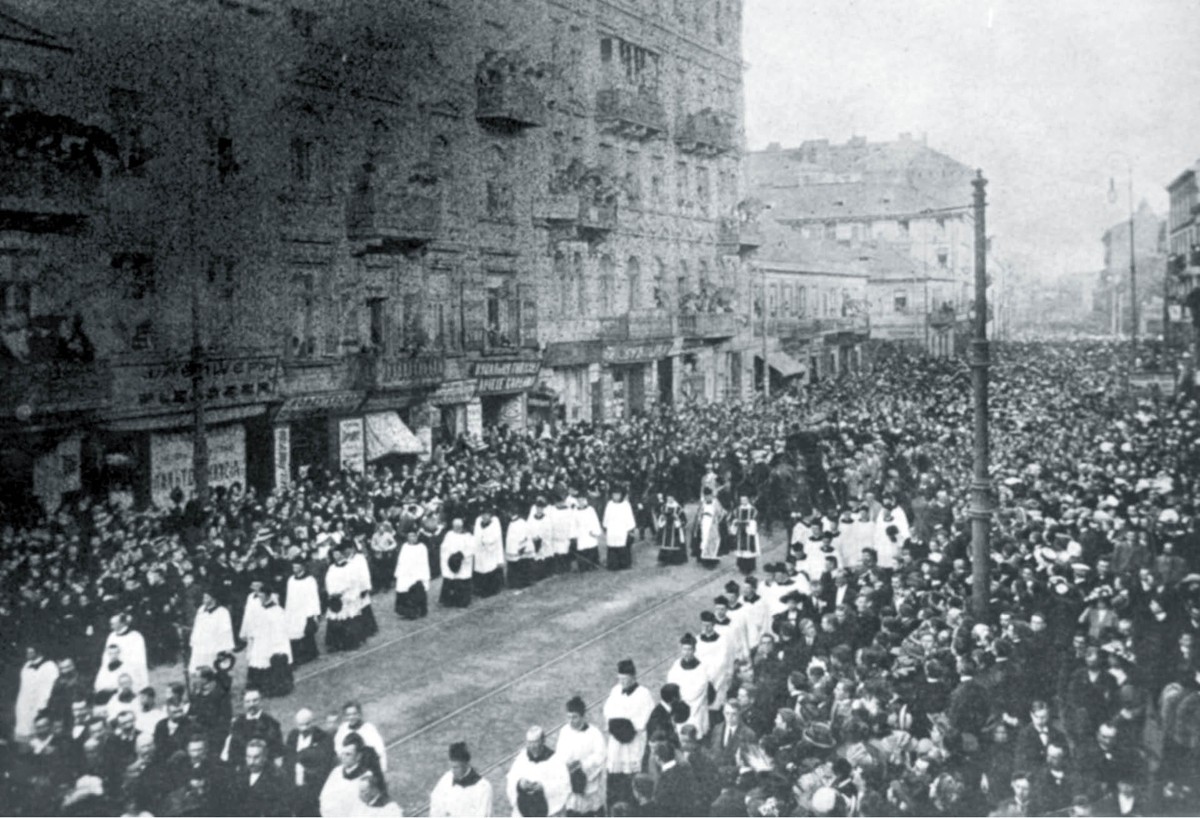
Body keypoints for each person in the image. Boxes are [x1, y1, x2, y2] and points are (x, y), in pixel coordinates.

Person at [603, 658, 656, 809]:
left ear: (633, 677)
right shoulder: (615, 691)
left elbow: (643, 719)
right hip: (616, 745)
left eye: (626, 679)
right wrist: (617, 725)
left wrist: (625, 726)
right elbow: (608, 712)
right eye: (620, 679)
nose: (623, 682)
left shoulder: (644, 694)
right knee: (615, 780)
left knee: (630, 781)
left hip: (632, 744)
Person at [555, 696, 607, 817]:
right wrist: (568, 766)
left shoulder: (594, 733)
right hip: (571, 783)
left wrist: (582, 765)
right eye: (568, 717)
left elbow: (600, 756)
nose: (571, 721)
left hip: (589, 783)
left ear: (583, 716)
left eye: (575, 717)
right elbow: (559, 755)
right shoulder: (564, 732)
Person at [506, 725, 571, 817]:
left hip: (548, 811)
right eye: (530, 743)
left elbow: (563, 785)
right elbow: (512, 779)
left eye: (535, 742)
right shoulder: (522, 758)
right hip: (525, 810)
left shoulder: (555, 760)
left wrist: (544, 787)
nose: (532, 746)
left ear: (543, 741)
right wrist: (520, 784)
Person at [244, 590, 294, 698]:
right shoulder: (257, 611)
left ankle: (274, 687)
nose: (259, 597)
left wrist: (277, 647)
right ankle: (258, 686)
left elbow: (281, 631)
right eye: (258, 595)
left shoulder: (278, 611)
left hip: (273, 642)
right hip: (261, 641)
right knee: (258, 660)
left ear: (268, 595)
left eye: (262, 594)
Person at [324, 544, 369, 653]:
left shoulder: (350, 567)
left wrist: (344, 593)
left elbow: (353, 582)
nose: (336, 556)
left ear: (342, 554)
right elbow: (328, 582)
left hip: (347, 597)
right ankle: (336, 644)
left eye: (337, 554)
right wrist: (332, 593)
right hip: (335, 598)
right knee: (335, 619)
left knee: (349, 619)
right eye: (334, 554)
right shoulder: (331, 568)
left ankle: (351, 642)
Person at [430, 741, 493, 818]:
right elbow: (436, 805)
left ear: (466, 764)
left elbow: (483, 814)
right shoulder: (446, 779)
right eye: (451, 767)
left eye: (456, 767)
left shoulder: (483, 787)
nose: (453, 771)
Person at [230, 737, 291, 817]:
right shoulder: (240, 775)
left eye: (256, 757)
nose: (251, 762)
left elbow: (281, 810)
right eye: (248, 757)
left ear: (264, 757)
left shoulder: (276, 777)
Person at [224, 688, 285, 766]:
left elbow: (277, 752)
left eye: (255, 700)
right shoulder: (237, 723)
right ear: (243, 703)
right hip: (241, 769)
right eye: (248, 701)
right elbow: (233, 750)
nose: (251, 704)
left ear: (261, 701)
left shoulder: (271, 723)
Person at [320, 732, 376, 817]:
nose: (343, 757)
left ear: (359, 756)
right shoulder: (336, 772)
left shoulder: (367, 778)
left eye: (348, 754)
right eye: (342, 753)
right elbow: (324, 798)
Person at [667, 633, 712, 739]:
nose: (686, 653)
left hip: (695, 709)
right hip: (679, 708)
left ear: (694, 650)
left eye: (689, 650)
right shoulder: (676, 665)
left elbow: (697, 691)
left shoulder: (701, 669)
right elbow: (671, 683)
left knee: (694, 736)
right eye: (684, 649)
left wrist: (681, 696)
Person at [14, 644, 58, 742]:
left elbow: (48, 690)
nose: (27, 651)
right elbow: (23, 691)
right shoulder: (26, 667)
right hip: (25, 710)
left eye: (30, 648)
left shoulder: (49, 666)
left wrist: (41, 708)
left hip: (41, 710)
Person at [97, 613, 149, 694]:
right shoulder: (111, 636)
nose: (111, 626)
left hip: (130, 670)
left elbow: (139, 658)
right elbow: (106, 655)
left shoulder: (135, 637)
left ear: (122, 623)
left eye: (113, 624)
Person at [284, 558, 323, 667]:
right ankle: (298, 655)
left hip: (305, 611)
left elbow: (314, 597)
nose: (294, 569)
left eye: (296, 567)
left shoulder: (310, 580)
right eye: (293, 567)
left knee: (306, 632)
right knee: (293, 633)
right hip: (293, 611)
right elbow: (289, 597)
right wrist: (288, 612)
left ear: (303, 567)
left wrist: (313, 614)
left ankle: (311, 654)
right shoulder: (291, 580)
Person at [334, 701, 388, 773]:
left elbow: (380, 751)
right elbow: (338, 749)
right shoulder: (343, 729)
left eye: (354, 714)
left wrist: (381, 771)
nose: (351, 717)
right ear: (345, 716)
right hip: (349, 769)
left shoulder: (368, 729)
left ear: (359, 714)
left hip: (367, 769)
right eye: (348, 715)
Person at [190, 592, 236, 674]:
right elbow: (196, 626)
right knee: (198, 668)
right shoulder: (201, 610)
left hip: (214, 644)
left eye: (207, 598)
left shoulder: (222, 612)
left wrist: (225, 647)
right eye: (203, 597)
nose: (204, 600)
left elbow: (226, 631)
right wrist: (194, 640)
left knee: (214, 668)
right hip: (201, 644)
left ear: (213, 599)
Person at [394, 528, 431, 619]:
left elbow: (423, 562)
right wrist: (400, 572)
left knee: (417, 590)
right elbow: (401, 560)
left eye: (414, 536)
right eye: (410, 536)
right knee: (403, 589)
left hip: (417, 573)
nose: (412, 538)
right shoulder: (404, 547)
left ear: (417, 537)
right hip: (405, 573)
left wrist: (420, 573)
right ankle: (407, 612)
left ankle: (419, 610)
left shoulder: (422, 547)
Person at [440, 518, 475, 608]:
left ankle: (462, 601)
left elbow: (471, 548)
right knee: (450, 580)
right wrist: (450, 556)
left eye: (459, 526)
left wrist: (461, 555)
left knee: (462, 580)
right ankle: (449, 601)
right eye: (455, 526)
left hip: (462, 561)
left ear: (462, 526)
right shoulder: (449, 534)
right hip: (450, 561)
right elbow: (444, 547)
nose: (457, 528)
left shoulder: (467, 536)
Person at [601, 488, 636, 571]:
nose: (616, 497)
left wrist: (630, 529)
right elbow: (606, 516)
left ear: (621, 495)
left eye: (618, 495)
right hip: (612, 529)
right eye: (614, 495)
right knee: (612, 546)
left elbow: (629, 517)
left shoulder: (626, 505)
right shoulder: (609, 504)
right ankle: (613, 564)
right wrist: (605, 526)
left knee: (622, 546)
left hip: (622, 529)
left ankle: (624, 564)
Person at [474, 510, 506, 597]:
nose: (484, 517)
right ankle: (480, 589)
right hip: (480, 551)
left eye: (486, 515)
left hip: (491, 550)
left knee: (490, 568)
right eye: (483, 515)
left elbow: (496, 538)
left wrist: (487, 541)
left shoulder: (494, 523)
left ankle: (492, 589)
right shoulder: (478, 522)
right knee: (481, 569)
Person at [692, 486, 724, 569]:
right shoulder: (702, 503)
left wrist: (716, 520)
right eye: (705, 496)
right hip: (704, 523)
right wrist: (699, 520)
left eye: (709, 495)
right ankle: (704, 559)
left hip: (712, 524)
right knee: (704, 540)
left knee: (712, 541)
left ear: (711, 495)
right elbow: (699, 513)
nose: (707, 497)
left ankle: (712, 561)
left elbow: (721, 513)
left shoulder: (715, 502)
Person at [505, 506, 535, 590]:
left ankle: (522, 582)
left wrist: (521, 548)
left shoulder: (521, 523)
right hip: (512, 548)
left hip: (520, 549)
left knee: (522, 565)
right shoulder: (512, 523)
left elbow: (524, 536)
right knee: (514, 564)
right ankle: (514, 583)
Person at [732, 494, 760, 575]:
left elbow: (755, 521)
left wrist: (749, 523)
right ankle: (741, 566)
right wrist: (735, 523)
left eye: (745, 500)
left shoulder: (753, 510)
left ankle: (750, 567)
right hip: (740, 533)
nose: (743, 502)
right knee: (740, 551)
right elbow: (734, 519)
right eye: (741, 500)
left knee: (749, 551)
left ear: (748, 500)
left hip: (749, 534)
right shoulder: (737, 510)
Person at [655, 496, 688, 566]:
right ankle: (664, 560)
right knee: (665, 543)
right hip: (666, 528)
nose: (669, 500)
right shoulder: (664, 507)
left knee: (675, 543)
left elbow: (684, 520)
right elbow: (660, 516)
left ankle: (675, 560)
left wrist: (677, 519)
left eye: (671, 498)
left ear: (674, 498)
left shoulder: (678, 508)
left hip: (675, 529)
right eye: (668, 498)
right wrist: (662, 519)